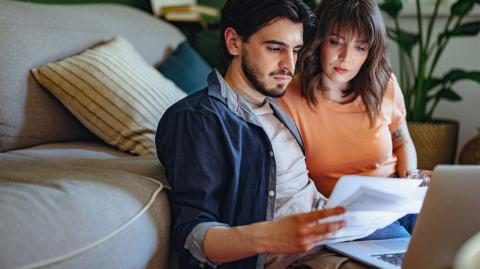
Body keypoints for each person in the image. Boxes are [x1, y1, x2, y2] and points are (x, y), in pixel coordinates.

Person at [155, 1, 349, 268]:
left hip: (336, 239)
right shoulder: (198, 118)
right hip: (303, 260)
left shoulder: (274, 106)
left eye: (295, 50)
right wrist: (270, 236)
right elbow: (192, 234)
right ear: (234, 42)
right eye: (274, 49)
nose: (289, 65)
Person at [278, 0, 417, 239]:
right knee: (406, 249)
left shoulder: (385, 85)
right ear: (318, 41)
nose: (346, 57)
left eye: (360, 47)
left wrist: (412, 186)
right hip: (346, 220)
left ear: (370, 51)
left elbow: (402, 142)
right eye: (335, 42)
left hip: (397, 206)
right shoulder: (288, 98)